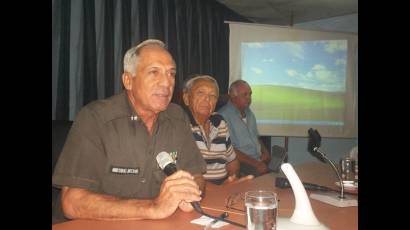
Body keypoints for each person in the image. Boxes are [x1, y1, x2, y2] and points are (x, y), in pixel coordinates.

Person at [52, 39, 206, 223]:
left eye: (171, 74)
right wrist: (154, 207)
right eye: (154, 72)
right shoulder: (95, 118)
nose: (166, 82)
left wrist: (191, 191)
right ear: (128, 80)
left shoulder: (177, 117)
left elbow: (196, 174)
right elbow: (72, 203)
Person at [182, 75, 253, 187]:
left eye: (212, 95)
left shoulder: (219, 122)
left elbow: (232, 162)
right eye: (201, 93)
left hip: (222, 191)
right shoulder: (179, 125)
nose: (207, 99)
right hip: (195, 193)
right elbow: (178, 174)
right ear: (186, 98)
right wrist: (216, 189)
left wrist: (232, 180)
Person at [218, 80, 271, 177]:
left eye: (250, 94)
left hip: (257, 159)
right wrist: (256, 164)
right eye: (245, 95)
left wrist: (265, 152)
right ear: (233, 97)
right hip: (240, 163)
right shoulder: (222, 116)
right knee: (265, 176)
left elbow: (256, 137)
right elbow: (228, 149)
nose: (249, 98)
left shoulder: (249, 113)